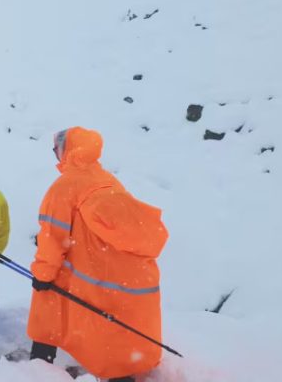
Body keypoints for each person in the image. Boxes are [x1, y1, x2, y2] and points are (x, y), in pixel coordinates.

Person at [27, 127, 168, 382]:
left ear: (65, 151)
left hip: (90, 271)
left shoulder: (64, 187)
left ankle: (39, 366)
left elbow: (52, 239)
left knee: (48, 301)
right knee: (111, 327)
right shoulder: (108, 179)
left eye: (56, 150)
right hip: (123, 273)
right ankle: (121, 374)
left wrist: (43, 274)